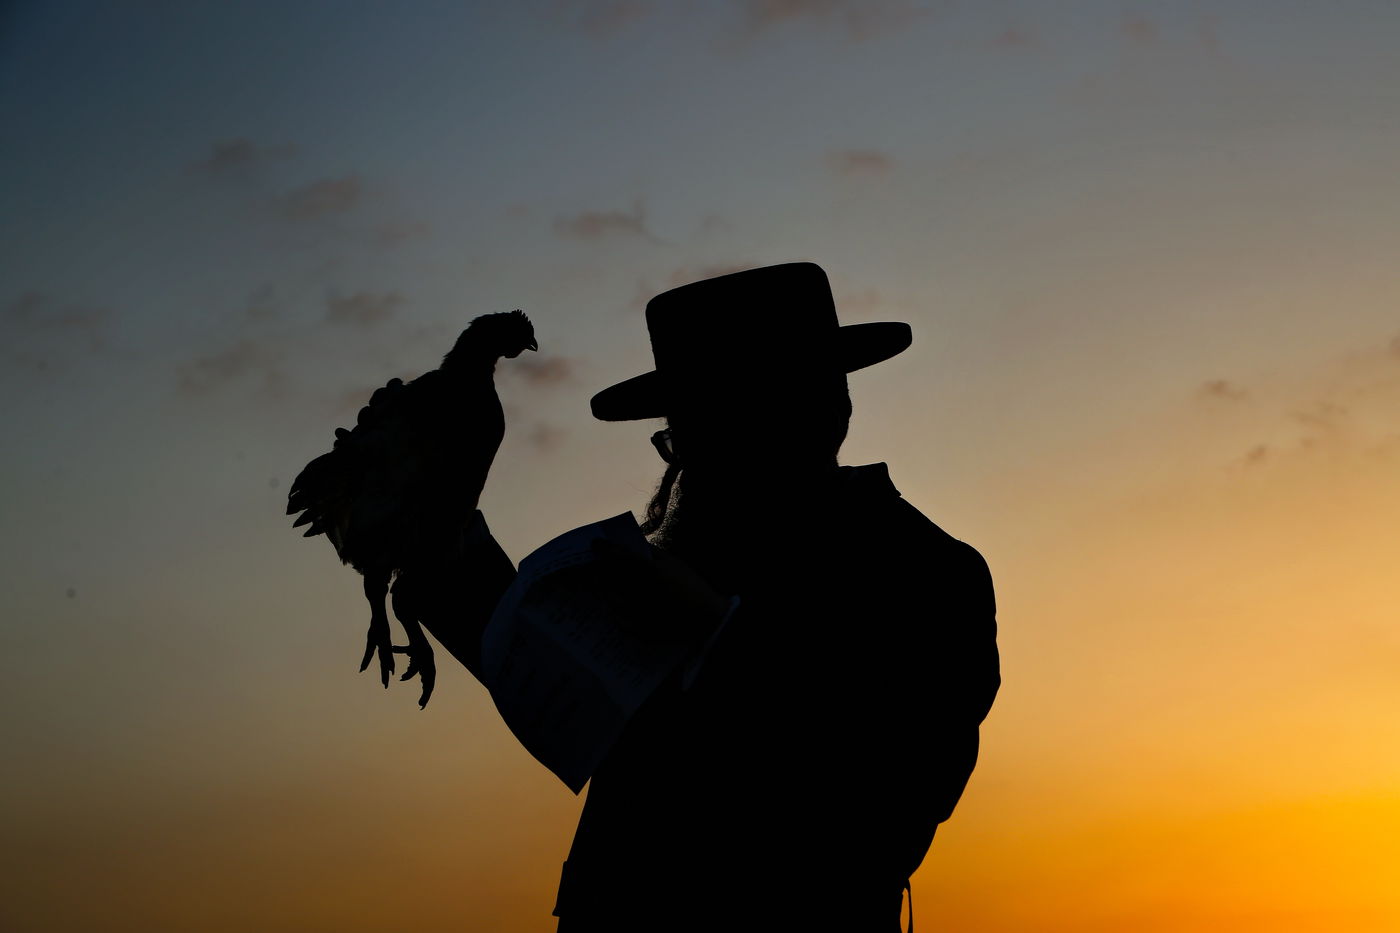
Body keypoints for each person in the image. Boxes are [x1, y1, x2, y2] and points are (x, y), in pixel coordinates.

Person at [540, 262, 1002, 931]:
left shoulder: (925, 575)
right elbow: (554, 680)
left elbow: (882, 818)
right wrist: (440, 546)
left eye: (715, 435)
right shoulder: (675, 567)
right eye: (682, 442)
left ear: (816, 413)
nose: (691, 471)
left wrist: (719, 631)